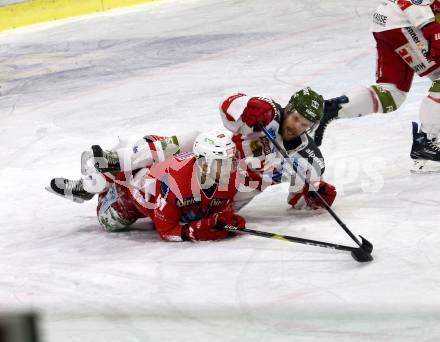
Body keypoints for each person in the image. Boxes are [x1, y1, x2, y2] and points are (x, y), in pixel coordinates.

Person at [48, 87, 337, 211]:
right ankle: (107, 169)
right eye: (295, 117)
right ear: (288, 109)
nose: (296, 126)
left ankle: (101, 186)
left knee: (154, 196)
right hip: (209, 163)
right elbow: (227, 106)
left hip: (227, 197)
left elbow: (296, 200)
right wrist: (245, 107)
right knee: (175, 144)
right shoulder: (268, 111)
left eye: (305, 123)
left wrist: (313, 198)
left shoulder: (308, 159)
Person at [313, 0, 440, 173]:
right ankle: (427, 146)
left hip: (391, 21)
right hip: (406, 20)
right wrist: (432, 30)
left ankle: (330, 109)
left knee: (392, 94)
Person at [49, 130, 245, 241]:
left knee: (156, 146)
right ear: (203, 162)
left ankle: (113, 164)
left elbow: (220, 211)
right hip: (128, 194)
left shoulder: (229, 178)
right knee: (110, 223)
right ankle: (92, 184)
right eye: (221, 162)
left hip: (160, 186)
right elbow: (167, 230)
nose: (229, 168)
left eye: (230, 161)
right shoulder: (173, 181)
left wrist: (226, 220)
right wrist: (193, 231)